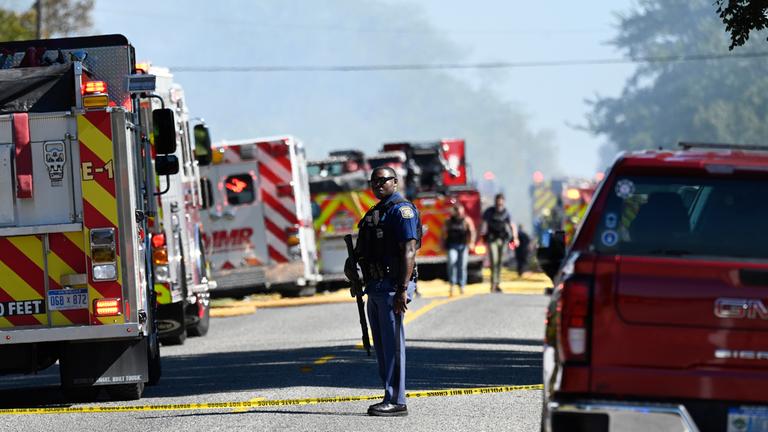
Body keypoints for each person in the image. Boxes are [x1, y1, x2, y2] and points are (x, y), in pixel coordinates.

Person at [344, 166, 421, 417]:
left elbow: (409, 251)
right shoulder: (373, 214)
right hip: (374, 286)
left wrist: (402, 290)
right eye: (374, 181)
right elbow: (358, 254)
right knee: (382, 347)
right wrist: (352, 274)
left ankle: (397, 400)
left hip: (392, 286)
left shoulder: (403, 211)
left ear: (395, 182)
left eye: (383, 180)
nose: (378, 184)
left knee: (393, 346)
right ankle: (388, 393)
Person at [481, 193, 518, 292]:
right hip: (492, 239)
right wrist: (482, 235)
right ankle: (493, 283)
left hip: (503, 239)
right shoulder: (489, 212)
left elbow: (512, 225)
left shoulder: (506, 213)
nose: (499, 203)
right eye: (498, 201)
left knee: (500, 262)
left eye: (501, 201)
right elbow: (484, 224)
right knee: (494, 261)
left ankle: (498, 283)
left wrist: (515, 237)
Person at [443, 202, 475, 296]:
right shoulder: (449, 221)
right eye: (457, 211)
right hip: (452, 245)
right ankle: (452, 285)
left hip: (463, 246)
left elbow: (472, 231)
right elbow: (443, 233)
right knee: (452, 263)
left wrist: (471, 242)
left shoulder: (466, 220)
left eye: (460, 211)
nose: (459, 213)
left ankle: (462, 286)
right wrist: (442, 243)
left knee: (462, 266)